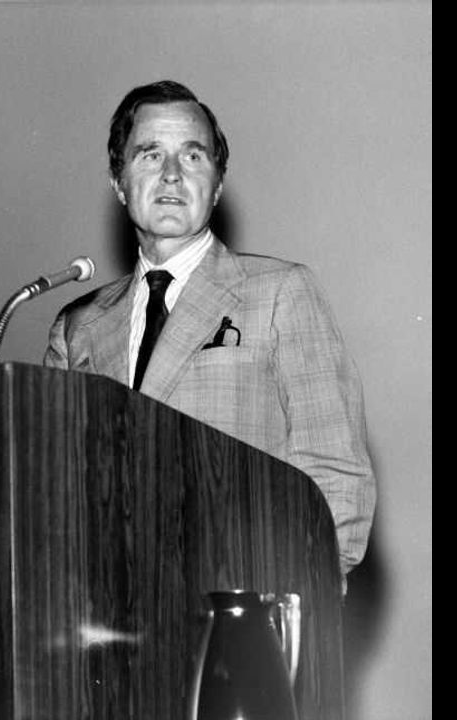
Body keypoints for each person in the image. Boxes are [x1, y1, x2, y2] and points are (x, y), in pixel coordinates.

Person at [44, 80, 375, 583]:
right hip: (108, 603)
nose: (172, 174)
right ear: (119, 182)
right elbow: (55, 496)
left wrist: (307, 600)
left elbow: (336, 473)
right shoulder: (79, 327)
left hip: (241, 603)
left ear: (217, 186)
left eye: (193, 156)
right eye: (150, 155)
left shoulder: (280, 292)